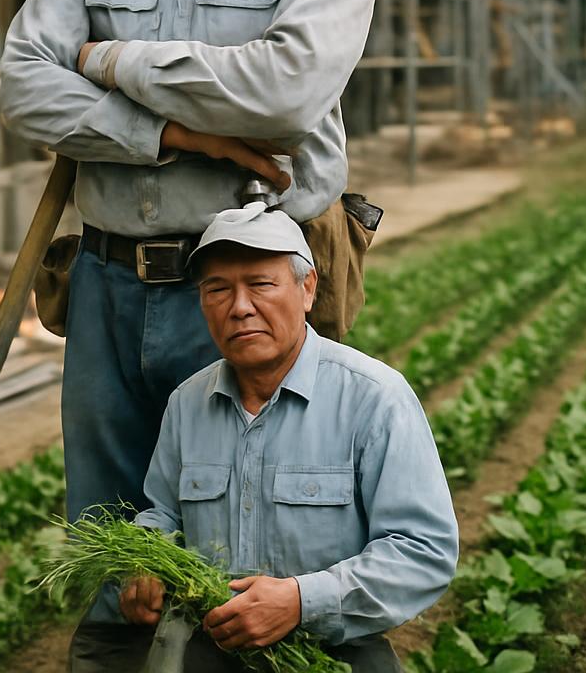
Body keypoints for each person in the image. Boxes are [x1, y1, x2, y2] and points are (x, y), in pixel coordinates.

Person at [0, 0, 382, 663]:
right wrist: (177, 132)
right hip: (107, 290)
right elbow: (24, 85)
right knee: (113, 553)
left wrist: (113, 59)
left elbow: (290, 87)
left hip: (249, 281)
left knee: (246, 558)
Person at [113, 203, 457, 672]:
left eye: (261, 284)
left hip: (334, 651)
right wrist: (146, 562)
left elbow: (424, 550)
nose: (239, 307)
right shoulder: (187, 404)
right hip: (213, 646)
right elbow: (164, 513)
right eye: (218, 289)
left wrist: (300, 602)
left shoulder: (374, 398)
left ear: (307, 288)